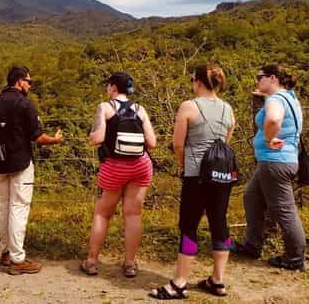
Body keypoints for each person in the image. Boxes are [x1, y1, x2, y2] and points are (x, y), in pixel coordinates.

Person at [149, 64, 236, 299]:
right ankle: (218, 281)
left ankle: (179, 282)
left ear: (197, 81)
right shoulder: (228, 109)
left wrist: (184, 164)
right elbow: (226, 139)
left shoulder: (189, 106)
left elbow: (178, 144)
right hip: (222, 175)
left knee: (189, 227)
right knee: (220, 223)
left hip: (196, 174)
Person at [0, 66, 63, 275]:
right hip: (21, 162)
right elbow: (37, 137)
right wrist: (55, 140)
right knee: (19, 208)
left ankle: (5, 252)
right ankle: (18, 259)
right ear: (20, 81)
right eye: (29, 81)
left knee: (4, 206)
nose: (30, 85)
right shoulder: (25, 104)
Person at [232, 64, 306, 271]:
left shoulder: (275, 100)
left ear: (272, 78)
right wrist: (264, 95)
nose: (257, 81)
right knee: (251, 197)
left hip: (275, 161)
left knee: (285, 210)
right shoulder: (289, 97)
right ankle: (252, 245)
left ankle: (295, 258)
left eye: (259, 77)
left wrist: (269, 137)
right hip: (281, 160)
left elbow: (274, 118)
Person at [82, 72, 156, 278]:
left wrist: (93, 133)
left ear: (113, 88)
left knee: (102, 213)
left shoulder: (105, 107)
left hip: (114, 166)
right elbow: (152, 143)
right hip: (140, 166)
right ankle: (130, 264)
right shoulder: (140, 109)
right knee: (133, 214)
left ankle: (92, 262)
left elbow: (97, 138)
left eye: (108, 86)